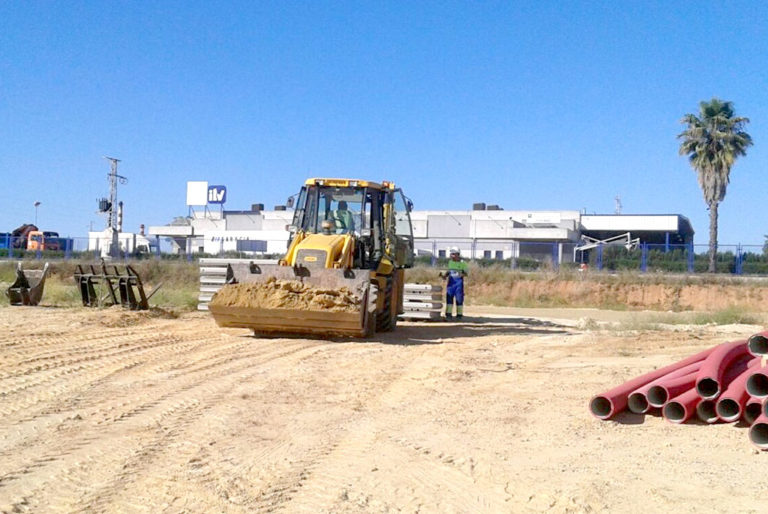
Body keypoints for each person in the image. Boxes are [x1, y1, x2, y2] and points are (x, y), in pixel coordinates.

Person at [440, 247, 468, 320]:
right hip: (451, 284)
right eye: (451, 254)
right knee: (449, 298)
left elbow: (466, 274)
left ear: (457, 254)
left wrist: (460, 273)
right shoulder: (450, 262)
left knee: (459, 299)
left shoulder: (463, 263)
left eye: (453, 254)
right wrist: (444, 276)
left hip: (458, 284)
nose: (451, 255)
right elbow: (449, 271)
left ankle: (459, 315)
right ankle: (448, 314)